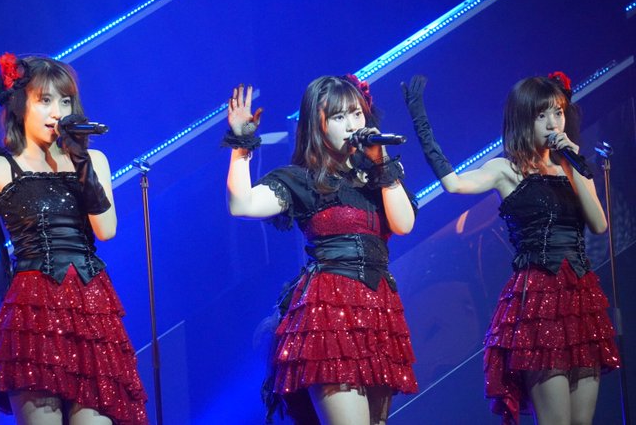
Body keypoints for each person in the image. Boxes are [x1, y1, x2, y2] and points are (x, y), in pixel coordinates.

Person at [402, 73, 620, 424]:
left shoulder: (572, 167)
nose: (553, 123)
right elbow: (455, 185)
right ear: (523, 120)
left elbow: (599, 224)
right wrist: (421, 124)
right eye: (541, 115)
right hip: (538, 301)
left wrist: (575, 163)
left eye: (558, 113)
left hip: (580, 298)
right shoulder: (506, 169)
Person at [0, 53, 148, 424]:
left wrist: (82, 163)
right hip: (34, 313)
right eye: (45, 100)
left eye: (65, 101)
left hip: (92, 310)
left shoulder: (93, 160)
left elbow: (106, 230)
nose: (57, 112)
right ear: (19, 104)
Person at [223, 76, 419, 425]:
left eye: (357, 114)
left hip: (378, 311)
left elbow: (403, 224)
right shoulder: (303, 179)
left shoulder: (378, 176)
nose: (353, 125)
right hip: (330, 314)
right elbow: (243, 205)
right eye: (340, 117)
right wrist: (241, 147)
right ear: (319, 124)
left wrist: (382, 164)